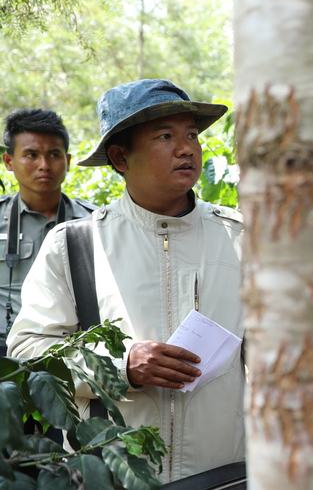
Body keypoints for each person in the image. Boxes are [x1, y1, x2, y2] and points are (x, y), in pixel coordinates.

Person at [7, 79, 245, 483]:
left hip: (223, 473)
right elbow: (29, 353)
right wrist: (120, 366)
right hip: (113, 472)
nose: (187, 148)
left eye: (191, 134)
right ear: (120, 157)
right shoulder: (75, 245)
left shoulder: (241, 238)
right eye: (165, 136)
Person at [1, 109, 94, 355]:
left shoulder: (93, 223)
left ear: (68, 161)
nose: (44, 165)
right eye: (31, 154)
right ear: (9, 162)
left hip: (73, 357)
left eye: (54, 154)